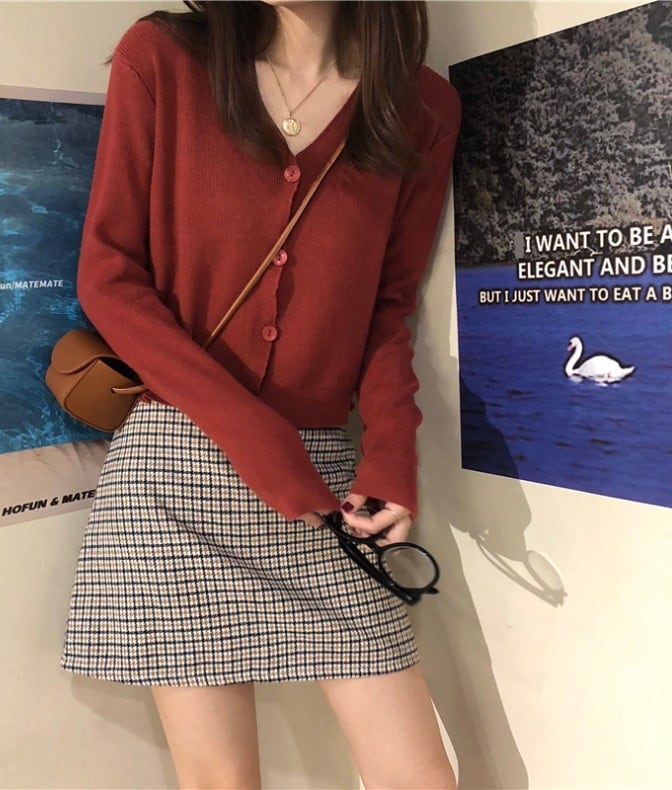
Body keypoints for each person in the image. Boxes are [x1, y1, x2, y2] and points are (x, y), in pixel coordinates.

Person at [61, 1, 460, 787]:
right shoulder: (165, 59)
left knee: (419, 777)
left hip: (320, 486)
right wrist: (254, 435)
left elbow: (387, 310)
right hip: (173, 473)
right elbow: (109, 276)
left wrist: (390, 457)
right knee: (222, 781)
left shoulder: (420, 107)